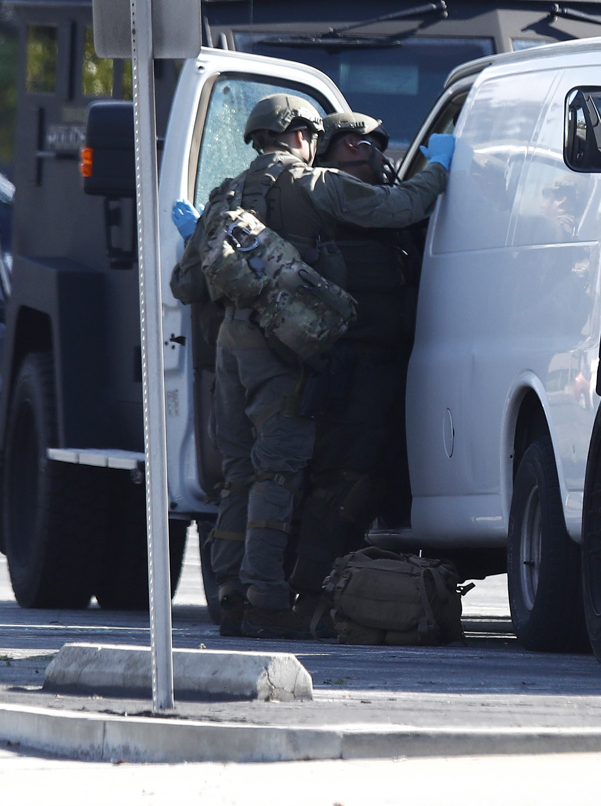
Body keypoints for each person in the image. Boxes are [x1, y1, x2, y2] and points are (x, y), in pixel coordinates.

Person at [175, 95, 453, 639]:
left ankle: (230, 592)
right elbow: (398, 209)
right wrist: (438, 170)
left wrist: (206, 241)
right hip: (282, 344)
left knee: (236, 476)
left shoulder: (224, 194)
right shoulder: (311, 184)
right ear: (300, 133)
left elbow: (184, 284)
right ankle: (266, 597)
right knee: (279, 470)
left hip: (231, 343)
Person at [285, 111, 426, 610]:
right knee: (343, 479)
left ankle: (348, 584)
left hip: (387, 363)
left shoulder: (376, 204)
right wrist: (434, 171)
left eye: (373, 146)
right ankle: (312, 587)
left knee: (373, 476)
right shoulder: (332, 195)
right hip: (349, 365)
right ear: (330, 150)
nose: (370, 154)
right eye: (357, 145)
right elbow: (402, 206)